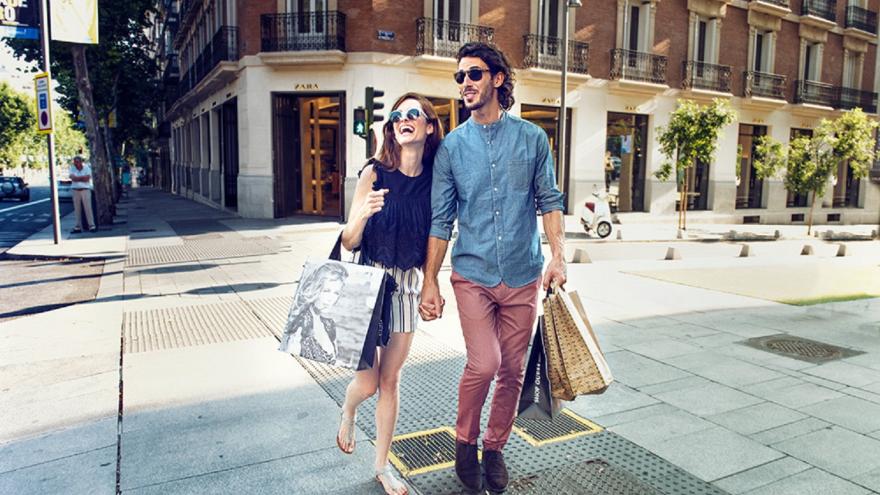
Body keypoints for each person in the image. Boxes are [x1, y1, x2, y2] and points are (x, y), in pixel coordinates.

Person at [419, 42, 567, 494]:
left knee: (513, 372)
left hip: (523, 273)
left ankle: (495, 448)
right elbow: (441, 219)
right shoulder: (451, 150)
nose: (465, 83)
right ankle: (465, 442)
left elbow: (550, 201)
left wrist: (558, 255)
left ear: (497, 80)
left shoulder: (533, 139)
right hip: (473, 275)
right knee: (485, 365)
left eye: (474, 74)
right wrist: (430, 282)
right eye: (459, 76)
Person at [337, 92, 444, 495]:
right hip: (368, 284)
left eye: (413, 114)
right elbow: (348, 242)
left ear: (429, 126)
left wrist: (433, 283)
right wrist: (363, 214)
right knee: (366, 385)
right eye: (397, 114)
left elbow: (439, 234)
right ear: (392, 127)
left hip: (405, 287)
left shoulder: (436, 180)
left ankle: (382, 466)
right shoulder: (374, 173)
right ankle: (348, 410)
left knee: (390, 381)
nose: (403, 119)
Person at [279, 262, 348, 364]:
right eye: (326, 290)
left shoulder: (329, 325)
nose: (331, 299)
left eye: (336, 293)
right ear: (315, 289)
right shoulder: (300, 323)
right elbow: (289, 360)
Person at [69, 156, 96, 233]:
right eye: (74, 162)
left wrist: (77, 178)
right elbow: (72, 178)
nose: (75, 164)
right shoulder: (72, 168)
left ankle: (91, 225)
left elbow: (87, 178)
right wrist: (81, 178)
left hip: (85, 190)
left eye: (77, 162)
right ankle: (78, 226)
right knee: (77, 209)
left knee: (88, 208)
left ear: (81, 162)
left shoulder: (87, 168)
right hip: (75, 190)